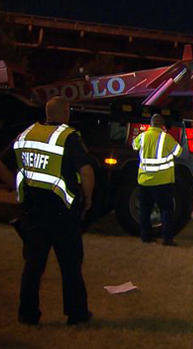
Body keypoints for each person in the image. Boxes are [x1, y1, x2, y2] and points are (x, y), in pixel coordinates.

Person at [0, 96, 94, 326]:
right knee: (71, 265)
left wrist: (14, 185)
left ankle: (27, 314)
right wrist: (88, 198)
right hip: (62, 212)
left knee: (33, 265)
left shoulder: (26, 134)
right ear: (66, 112)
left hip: (32, 211)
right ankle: (76, 314)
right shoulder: (67, 137)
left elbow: (1, 163)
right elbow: (87, 171)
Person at [132, 113, 183, 245]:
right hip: (162, 182)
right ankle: (167, 239)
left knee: (145, 210)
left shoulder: (142, 137)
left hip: (144, 181)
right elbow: (179, 152)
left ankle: (146, 237)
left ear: (151, 125)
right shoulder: (165, 138)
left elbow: (134, 146)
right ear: (162, 126)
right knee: (166, 210)